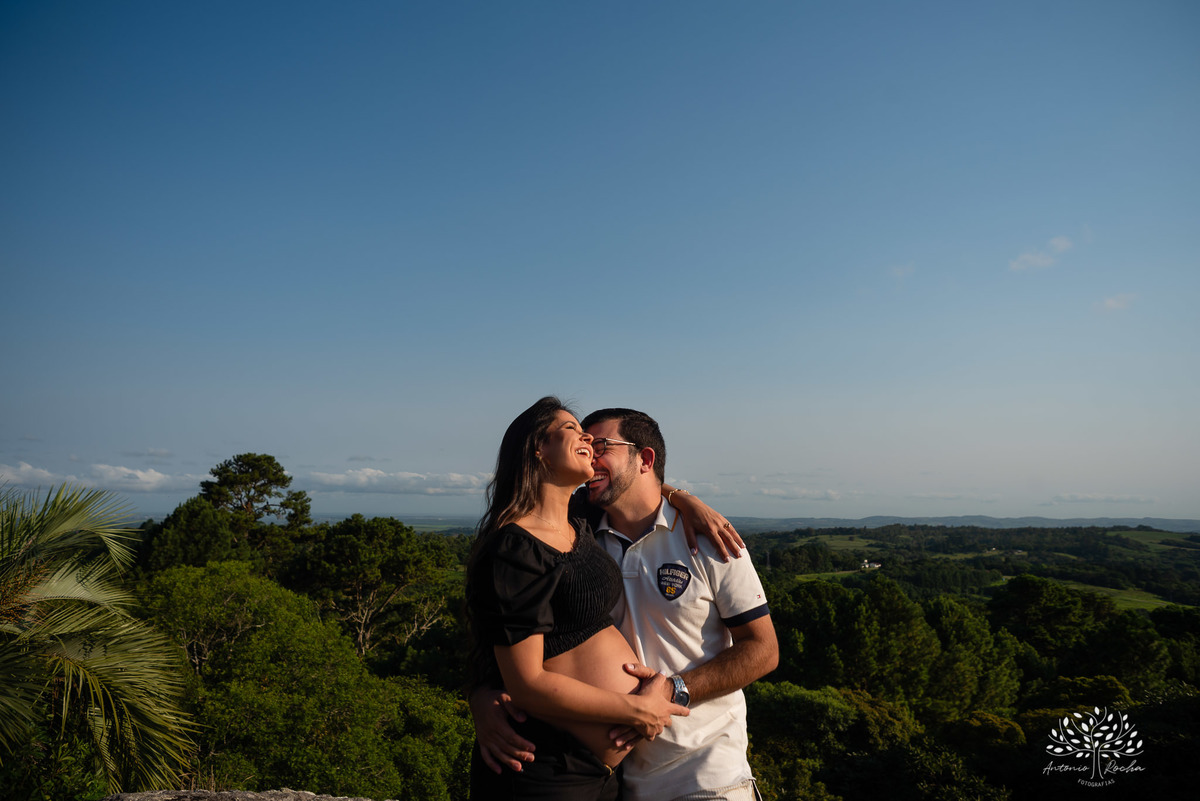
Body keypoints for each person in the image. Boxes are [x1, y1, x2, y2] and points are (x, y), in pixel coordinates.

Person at [475, 407, 778, 801]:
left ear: (645, 459)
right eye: (583, 439)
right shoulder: (578, 529)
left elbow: (764, 650)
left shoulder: (709, 540)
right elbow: (497, 617)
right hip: (618, 781)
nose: (590, 450)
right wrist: (480, 693)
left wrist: (673, 691)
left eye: (601, 444)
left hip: (704, 776)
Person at [466, 397, 690, 801]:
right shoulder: (515, 547)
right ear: (538, 448)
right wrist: (637, 710)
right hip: (542, 767)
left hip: (598, 774)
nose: (586, 435)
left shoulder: (580, 520)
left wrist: (684, 499)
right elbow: (527, 682)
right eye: (571, 429)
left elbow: (639, 484)